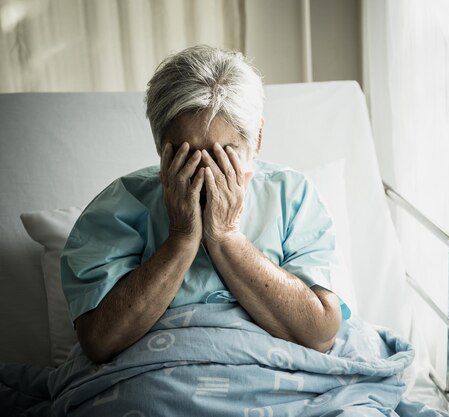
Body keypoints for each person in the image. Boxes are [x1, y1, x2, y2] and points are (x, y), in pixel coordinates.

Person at [60, 45, 348, 364]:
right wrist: (181, 238)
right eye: (188, 155)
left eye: (226, 153)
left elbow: (320, 334)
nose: (208, 174)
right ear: (160, 146)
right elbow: (99, 342)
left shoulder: (293, 196)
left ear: (258, 139)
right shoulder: (120, 205)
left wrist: (226, 237)